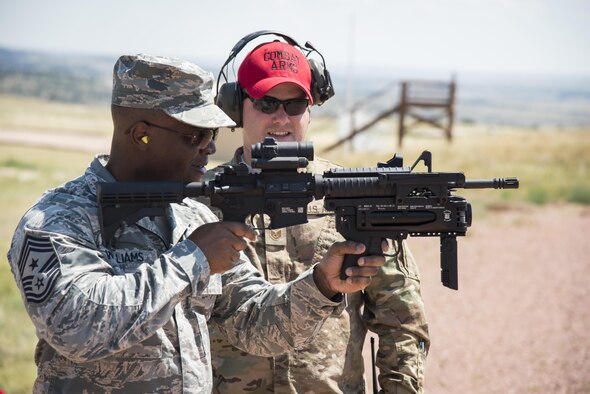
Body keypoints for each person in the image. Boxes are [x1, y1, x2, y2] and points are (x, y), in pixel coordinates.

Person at [5, 54, 386, 393]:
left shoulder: (192, 214)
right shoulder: (58, 219)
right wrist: (192, 259)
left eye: (213, 134)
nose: (209, 147)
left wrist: (321, 285)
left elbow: (253, 324)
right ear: (141, 134)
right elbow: (77, 327)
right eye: (195, 135)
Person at [206, 37, 430, 393]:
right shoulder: (200, 202)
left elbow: (401, 321)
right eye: (266, 103)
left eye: (295, 104)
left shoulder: (356, 192)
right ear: (237, 107)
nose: (281, 118)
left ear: (309, 111)